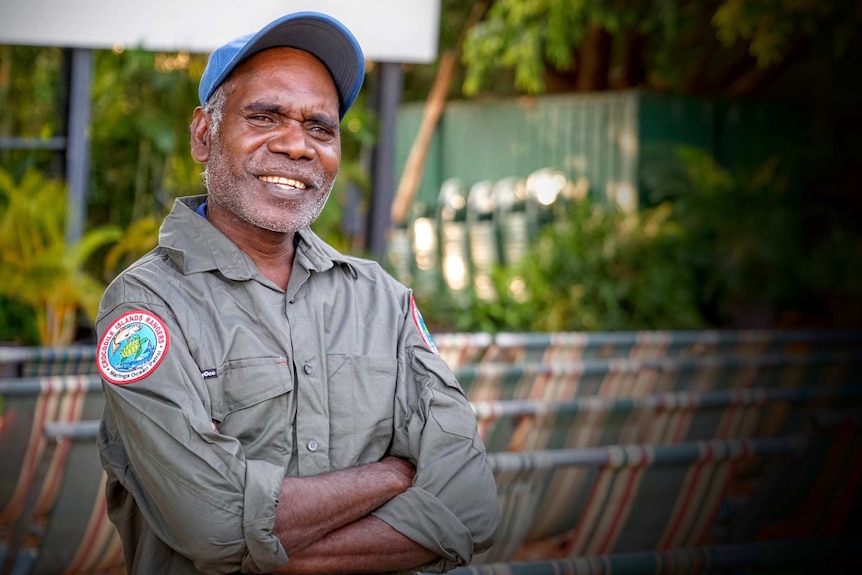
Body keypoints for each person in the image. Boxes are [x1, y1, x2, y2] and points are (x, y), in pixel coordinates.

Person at [95, 11, 500, 575]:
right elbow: (211, 524)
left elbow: (473, 506)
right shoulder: (147, 307)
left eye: (320, 128)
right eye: (264, 116)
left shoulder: (381, 300)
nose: (296, 146)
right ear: (203, 134)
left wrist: (265, 551)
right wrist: (393, 474)